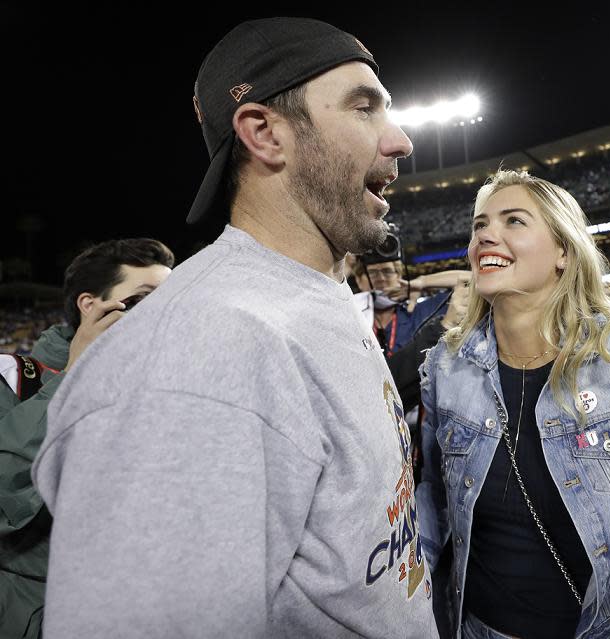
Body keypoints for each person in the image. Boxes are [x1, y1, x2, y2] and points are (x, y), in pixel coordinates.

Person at [32, 18, 439, 638]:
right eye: (364, 108)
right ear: (265, 134)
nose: (402, 139)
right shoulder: (198, 357)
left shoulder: (306, 297)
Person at [416, 170, 610, 639]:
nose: (487, 233)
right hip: (483, 627)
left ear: (563, 252)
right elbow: (433, 491)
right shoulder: (446, 367)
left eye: (514, 221)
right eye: (479, 224)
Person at [0, 238, 173, 639]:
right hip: (36, 611)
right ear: (90, 306)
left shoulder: (170, 393)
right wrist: (76, 376)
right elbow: (5, 491)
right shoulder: (12, 376)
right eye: (143, 300)